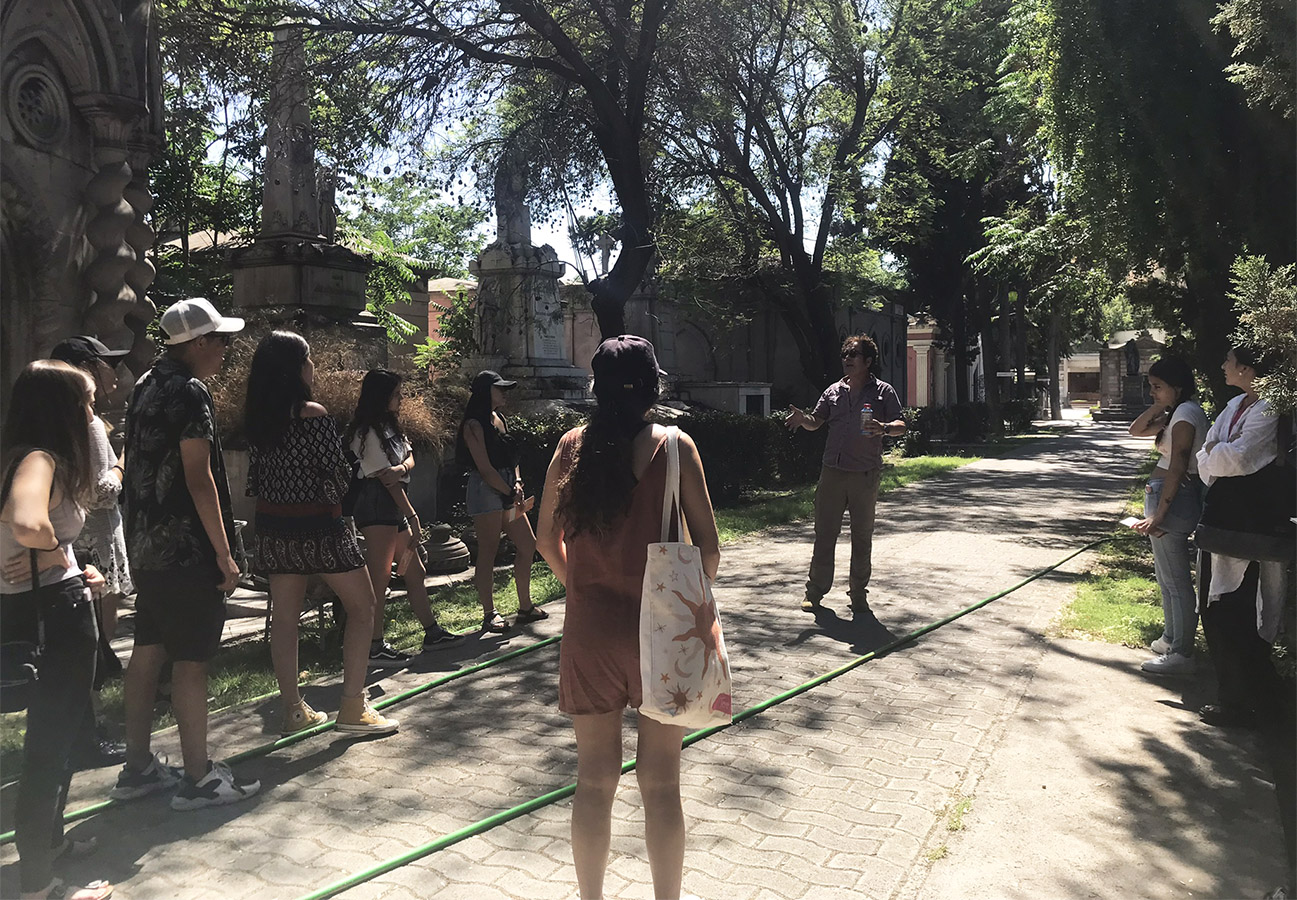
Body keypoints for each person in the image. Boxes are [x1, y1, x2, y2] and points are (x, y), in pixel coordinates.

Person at [536, 335, 720, 900]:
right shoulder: (677, 446)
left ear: (596, 387)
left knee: (593, 781)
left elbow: (544, 538)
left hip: (590, 633)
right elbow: (709, 551)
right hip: (661, 635)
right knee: (661, 784)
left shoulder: (571, 447)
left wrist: (579, 586)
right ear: (654, 385)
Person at [115, 297, 261, 810]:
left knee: (148, 650)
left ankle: (137, 767)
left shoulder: (145, 383)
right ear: (198, 343)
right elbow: (199, 479)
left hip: (145, 546)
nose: (225, 348)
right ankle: (199, 779)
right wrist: (224, 553)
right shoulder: (191, 392)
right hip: (186, 550)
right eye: (220, 339)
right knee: (191, 661)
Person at [244, 331, 398, 737]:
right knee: (363, 607)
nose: (313, 367)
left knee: (285, 619)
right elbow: (337, 473)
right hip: (319, 526)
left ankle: (293, 710)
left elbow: (256, 481)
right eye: (308, 359)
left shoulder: (258, 419)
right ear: (295, 368)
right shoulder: (312, 413)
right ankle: (353, 706)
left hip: (275, 527)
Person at [2, 361, 114, 900]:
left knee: (60, 738)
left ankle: (49, 844)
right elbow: (29, 523)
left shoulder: (13, 455)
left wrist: (70, 562)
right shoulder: (39, 459)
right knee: (49, 748)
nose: (94, 411)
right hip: (56, 618)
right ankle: (38, 886)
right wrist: (51, 553)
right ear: (62, 409)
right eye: (86, 401)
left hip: (35, 606)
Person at [1194, 345, 1294, 894]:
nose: (1223, 368)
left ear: (1249, 369)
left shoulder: (1270, 410)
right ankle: (1231, 694)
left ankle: (1251, 701)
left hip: (1253, 529)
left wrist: (1215, 458)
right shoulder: (1234, 406)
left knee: (1248, 612)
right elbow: (1210, 453)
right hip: (1223, 524)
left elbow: (1235, 459)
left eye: (1230, 362)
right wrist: (1216, 457)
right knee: (1216, 607)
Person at [49, 337, 133, 768]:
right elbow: (101, 492)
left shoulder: (48, 424)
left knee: (87, 647)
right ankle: (87, 736)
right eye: (107, 364)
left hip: (71, 547)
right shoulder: (91, 423)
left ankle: (80, 732)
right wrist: (123, 462)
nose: (115, 373)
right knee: (95, 643)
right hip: (94, 544)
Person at [346, 368, 463, 665]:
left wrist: (401, 468)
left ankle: (432, 632)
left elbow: (408, 458)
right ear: (381, 396)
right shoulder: (367, 433)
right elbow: (387, 482)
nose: (401, 399)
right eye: (396, 394)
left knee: (414, 570)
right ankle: (374, 645)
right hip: (377, 506)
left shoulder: (390, 427)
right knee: (380, 577)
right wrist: (412, 515)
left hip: (393, 504)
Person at [785, 333, 905, 615]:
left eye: (853, 354)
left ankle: (858, 595)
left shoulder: (883, 392)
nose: (847, 359)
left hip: (865, 475)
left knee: (862, 537)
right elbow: (816, 421)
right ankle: (815, 592)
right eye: (845, 354)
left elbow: (901, 424)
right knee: (825, 535)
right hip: (833, 473)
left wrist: (884, 428)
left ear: (868, 361)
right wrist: (803, 419)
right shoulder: (833, 391)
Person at [1127, 356, 1207, 675]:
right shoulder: (1177, 413)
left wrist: (1160, 514)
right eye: (1151, 386)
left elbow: (1179, 464)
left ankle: (1182, 652)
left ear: (1178, 386)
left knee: (1176, 580)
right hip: (1164, 497)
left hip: (1174, 501)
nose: (1152, 393)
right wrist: (1161, 405)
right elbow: (1135, 430)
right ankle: (1171, 637)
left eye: (1158, 387)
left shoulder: (1186, 414)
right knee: (1165, 577)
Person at [456, 370, 542, 632]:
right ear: (485, 392)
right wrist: (507, 490)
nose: (505, 393)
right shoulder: (473, 424)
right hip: (486, 490)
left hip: (507, 487)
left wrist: (517, 482)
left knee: (528, 544)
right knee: (489, 550)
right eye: (500, 388)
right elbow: (484, 468)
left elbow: (511, 457)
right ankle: (489, 613)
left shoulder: (499, 418)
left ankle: (525, 606)